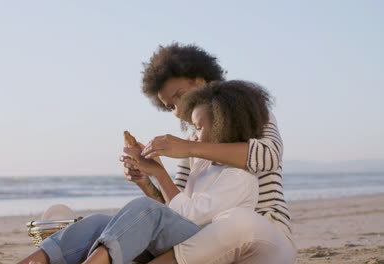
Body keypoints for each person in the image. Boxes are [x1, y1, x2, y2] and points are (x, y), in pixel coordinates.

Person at [17, 80, 271, 264]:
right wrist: (151, 173)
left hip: (208, 251)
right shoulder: (204, 166)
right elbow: (173, 213)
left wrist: (161, 175)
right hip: (188, 240)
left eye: (197, 127)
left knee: (145, 210)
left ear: (224, 125)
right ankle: (37, 260)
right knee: (99, 223)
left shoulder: (240, 176)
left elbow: (190, 219)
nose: (193, 135)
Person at [121, 43, 295, 263]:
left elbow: (268, 156)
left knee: (238, 222)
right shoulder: (191, 144)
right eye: (170, 106)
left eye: (180, 95)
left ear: (203, 81)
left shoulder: (250, 111)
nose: (178, 109)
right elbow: (180, 212)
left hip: (261, 237)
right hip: (211, 246)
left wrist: (189, 148)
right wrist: (148, 179)